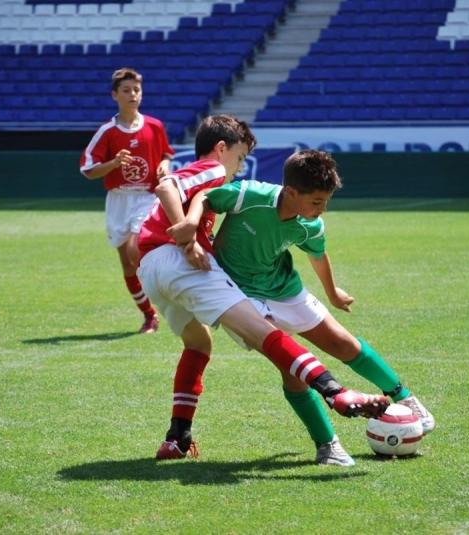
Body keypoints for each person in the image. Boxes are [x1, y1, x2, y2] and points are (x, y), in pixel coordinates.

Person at [136, 115, 389, 460]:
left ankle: (177, 437)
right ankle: (335, 392)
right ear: (222, 149)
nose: (238, 168)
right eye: (239, 158)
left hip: (150, 268)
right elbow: (166, 187)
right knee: (261, 330)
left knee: (198, 342)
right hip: (175, 260)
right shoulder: (211, 168)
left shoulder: (212, 179)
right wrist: (186, 235)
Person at [169, 150, 434, 466]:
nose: (322, 209)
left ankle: (405, 398)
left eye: (326, 201)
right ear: (291, 192)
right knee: (291, 368)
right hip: (239, 294)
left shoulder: (310, 225)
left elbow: (318, 256)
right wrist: (189, 224)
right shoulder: (249, 195)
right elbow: (206, 196)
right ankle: (328, 444)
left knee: (344, 344)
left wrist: (333, 293)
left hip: (284, 288)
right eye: (317, 202)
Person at [79, 67, 174, 334]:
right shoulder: (107, 131)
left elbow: (166, 153)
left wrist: (165, 165)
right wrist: (114, 163)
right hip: (119, 201)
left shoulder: (154, 126)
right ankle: (149, 315)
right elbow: (88, 170)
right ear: (114, 95)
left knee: (135, 250)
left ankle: (170, 291)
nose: (133, 94)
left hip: (146, 198)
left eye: (136, 90)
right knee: (127, 263)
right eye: (126, 90)